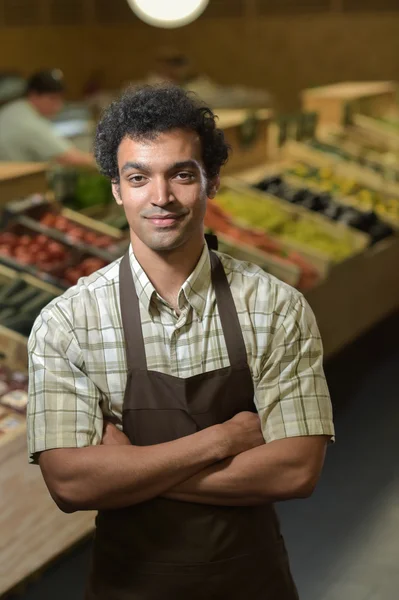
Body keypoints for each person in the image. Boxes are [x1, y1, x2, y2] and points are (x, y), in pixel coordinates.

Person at [27, 84, 335, 599]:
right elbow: (72, 485)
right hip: (129, 586)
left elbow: (296, 470)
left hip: (250, 584)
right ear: (117, 190)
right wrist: (220, 441)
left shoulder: (276, 307)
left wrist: (130, 470)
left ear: (211, 181)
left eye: (182, 174)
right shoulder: (67, 322)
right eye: (139, 177)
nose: (161, 197)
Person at [0, 69, 94, 167]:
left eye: (60, 98)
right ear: (34, 95)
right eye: (53, 98)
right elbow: (74, 159)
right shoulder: (29, 122)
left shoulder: (16, 108)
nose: (59, 105)